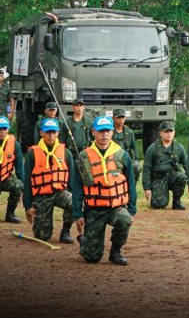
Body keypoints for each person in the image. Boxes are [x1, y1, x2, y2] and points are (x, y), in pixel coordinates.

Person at [70, 116, 137, 265]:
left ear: (112, 132)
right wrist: (77, 214)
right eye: (101, 131)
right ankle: (84, 241)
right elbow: (77, 188)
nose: (104, 134)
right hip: (94, 209)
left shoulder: (122, 155)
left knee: (124, 220)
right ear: (93, 132)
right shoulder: (83, 157)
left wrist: (132, 210)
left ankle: (115, 251)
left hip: (116, 206)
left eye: (107, 131)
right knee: (92, 258)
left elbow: (131, 184)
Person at [24, 118, 72, 242]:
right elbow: (27, 181)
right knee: (42, 236)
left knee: (73, 202)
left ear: (58, 133)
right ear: (41, 133)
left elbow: (72, 179)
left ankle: (66, 231)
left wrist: (75, 198)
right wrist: (28, 205)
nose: (51, 135)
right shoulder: (32, 153)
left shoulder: (66, 153)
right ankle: (43, 226)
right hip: (41, 195)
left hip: (60, 192)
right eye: (48, 132)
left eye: (53, 132)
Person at [142, 121, 189, 210]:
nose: (169, 134)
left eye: (171, 131)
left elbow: (187, 166)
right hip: (158, 178)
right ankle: (160, 195)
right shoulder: (152, 148)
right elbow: (146, 168)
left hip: (172, 177)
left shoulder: (179, 148)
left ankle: (177, 201)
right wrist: (146, 188)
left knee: (181, 176)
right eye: (166, 131)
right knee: (158, 205)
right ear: (160, 133)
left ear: (174, 132)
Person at [0, 117, 24, 223]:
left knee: (18, 185)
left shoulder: (15, 145)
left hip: (6, 177)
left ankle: (10, 214)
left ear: (8, 130)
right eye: (0, 129)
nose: (2, 132)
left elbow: (19, 167)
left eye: (4, 129)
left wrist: (23, 187)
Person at [111, 108, 142, 180]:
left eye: (122, 117)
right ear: (113, 118)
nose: (121, 120)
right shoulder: (110, 131)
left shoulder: (129, 132)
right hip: (113, 158)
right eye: (118, 117)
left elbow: (133, 147)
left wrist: (137, 161)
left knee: (135, 167)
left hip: (126, 158)